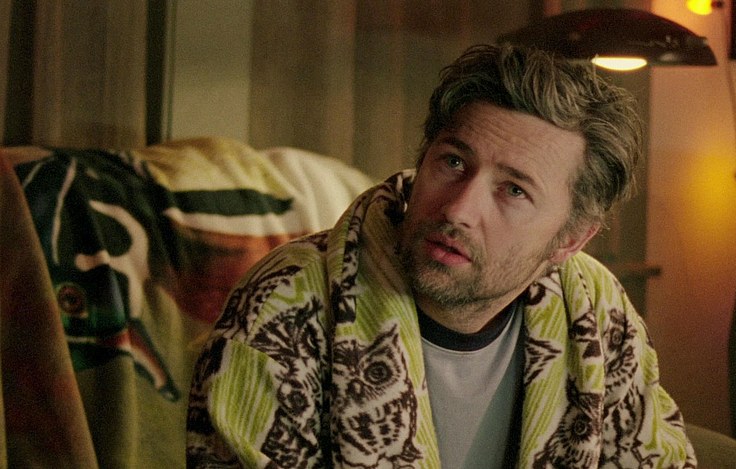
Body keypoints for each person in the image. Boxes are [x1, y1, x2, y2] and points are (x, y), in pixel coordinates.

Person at [186, 44, 696, 468]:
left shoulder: (596, 309)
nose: (458, 209)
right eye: (453, 162)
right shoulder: (285, 304)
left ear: (570, 240)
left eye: (513, 191)